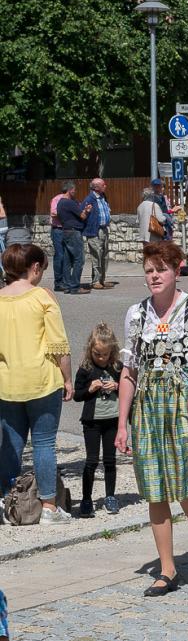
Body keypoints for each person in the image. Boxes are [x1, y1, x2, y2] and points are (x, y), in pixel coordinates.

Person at [115, 241, 188, 595]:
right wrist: (122, 424)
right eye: (149, 270)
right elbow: (129, 372)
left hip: (185, 408)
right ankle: (167, 568)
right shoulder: (136, 314)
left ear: (178, 270)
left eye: (161, 269)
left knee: (186, 488)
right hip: (148, 410)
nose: (154, 276)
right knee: (155, 489)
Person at [0, 243, 74, 524]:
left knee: (10, 446)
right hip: (42, 379)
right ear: (35, 268)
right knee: (43, 443)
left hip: (7, 382)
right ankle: (48, 508)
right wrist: (67, 378)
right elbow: (59, 345)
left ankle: (9, 501)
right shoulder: (43, 297)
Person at [72, 323, 122, 518]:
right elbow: (77, 396)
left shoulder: (117, 367)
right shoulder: (85, 369)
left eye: (105, 355)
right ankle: (86, 499)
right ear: (90, 350)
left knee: (110, 460)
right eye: (97, 354)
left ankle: (110, 496)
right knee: (92, 460)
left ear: (112, 352)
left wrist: (117, 385)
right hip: (92, 422)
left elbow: (129, 390)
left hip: (112, 420)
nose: (101, 358)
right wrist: (90, 389)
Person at [56, 181, 91, 295]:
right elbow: (82, 216)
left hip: (65, 231)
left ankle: (66, 285)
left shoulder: (60, 202)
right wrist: (87, 210)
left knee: (67, 260)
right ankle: (75, 286)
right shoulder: (69, 203)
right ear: (70, 190)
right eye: (74, 190)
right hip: (74, 232)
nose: (75, 192)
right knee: (79, 259)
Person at [81, 178, 112, 290]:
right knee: (96, 256)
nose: (106, 186)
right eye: (104, 185)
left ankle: (102, 280)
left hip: (104, 229)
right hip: (94, 231)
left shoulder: (103, 197)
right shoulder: (89, 199)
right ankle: (95, 281)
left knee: (105, 256)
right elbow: (82, 215)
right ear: (96, 187)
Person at [49, 183, 70, 291]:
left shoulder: (71, 200)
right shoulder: (57, 199)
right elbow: (53, 213)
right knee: (60, 256)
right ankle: (58, 283)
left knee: (68, 256)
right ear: (69, 190)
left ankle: (66, 281)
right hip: (58, 230)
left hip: (68, 230)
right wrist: (67, 211)